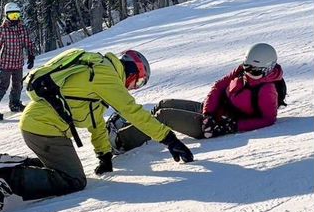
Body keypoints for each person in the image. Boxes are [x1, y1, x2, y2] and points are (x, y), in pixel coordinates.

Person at [0, 49, 194, 212]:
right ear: (131, 72)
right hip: (44, 128)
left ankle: (6, 166)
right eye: (136, 82)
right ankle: (5, 178)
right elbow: (132, 111)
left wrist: (104, 155)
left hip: (38, 125)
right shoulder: (106, 76)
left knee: (63, 169)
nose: (132, 87)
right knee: (74, 180)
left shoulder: (97, 70)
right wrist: (169, 138)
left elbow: (96, 121)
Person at [106, 43, 285, 151]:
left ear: (267, 69)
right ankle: (131, 126)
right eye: (246, 66)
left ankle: (121, 141)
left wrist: (230, 126)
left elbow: (268, 119)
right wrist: (207, 113)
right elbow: (218, 87)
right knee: (164, 104)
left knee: (164, 117)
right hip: (212, 114)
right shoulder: (242, 71)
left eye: (254, 70)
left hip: (218, 125)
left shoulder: (267, 90)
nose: (248, 72)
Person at [0, 2, 35, 121]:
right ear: (6, 16)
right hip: (6, 63)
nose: (14, 18)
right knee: (3, 85)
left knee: (18, 85)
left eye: (16, 16)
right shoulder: (2, 30)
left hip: (18, 62)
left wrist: (31, 56)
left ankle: (15, 103)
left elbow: (28, 43)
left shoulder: (22, 29)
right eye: (12, 16)